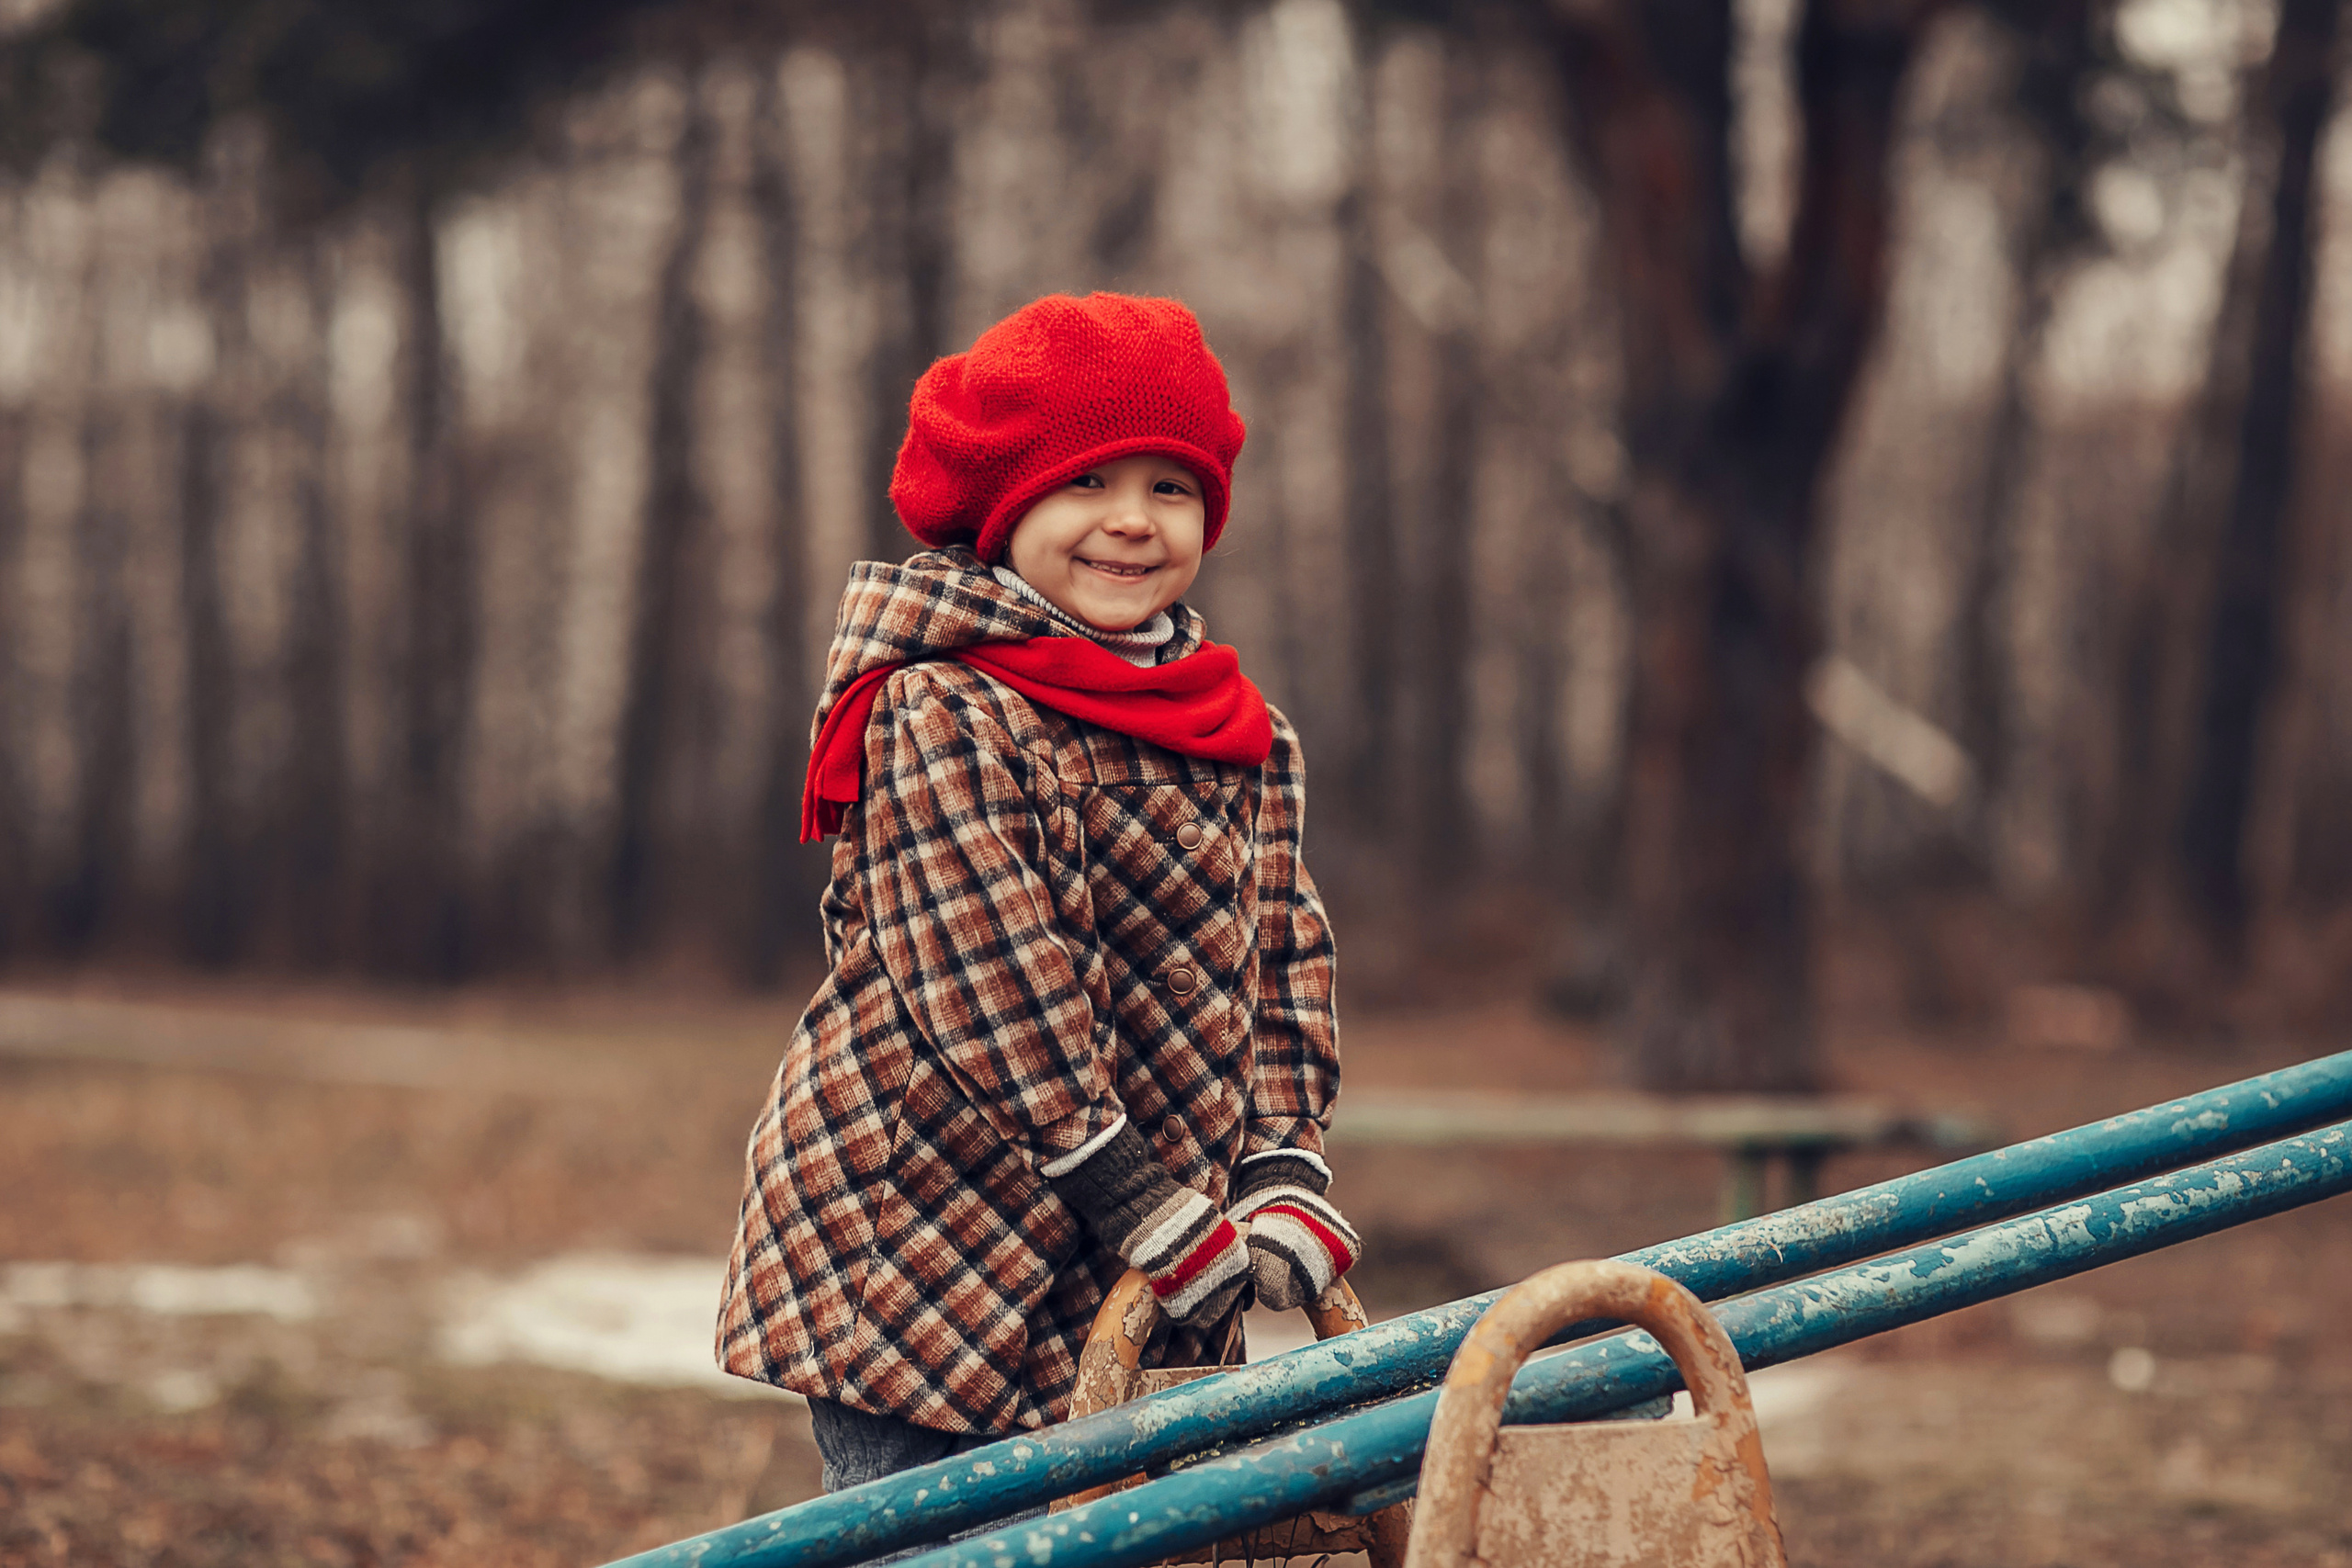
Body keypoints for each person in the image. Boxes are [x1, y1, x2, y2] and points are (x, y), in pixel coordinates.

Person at [716, 292, 1361, 1493]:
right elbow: (990, 975)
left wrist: (1284, 1159)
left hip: (1144, 1266)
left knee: (1119, 1531)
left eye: (1171, 487)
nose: (1133, 521)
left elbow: (1285, 950)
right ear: (1004, 509)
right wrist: (1133, 1193)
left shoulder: (1242, 731)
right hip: (926, 1253)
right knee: (939, 1535)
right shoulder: (944, 706)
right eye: (1086, 485)